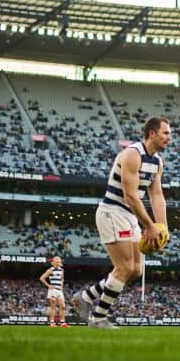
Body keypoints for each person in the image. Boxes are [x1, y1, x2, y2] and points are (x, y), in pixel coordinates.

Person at [71, 117, 170, 330]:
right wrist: (150, 226)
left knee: (135, 270)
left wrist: (163, 227)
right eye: (165, 133)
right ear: (152, 133)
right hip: (112, 211)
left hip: (128, 216)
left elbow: (157, 195)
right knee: (124, 267)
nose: (169, 138)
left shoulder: (157, 162)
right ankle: (98, 319)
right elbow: (131, 196)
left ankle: (85, 297)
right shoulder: (133, 155)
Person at [39, 256, 67, 327]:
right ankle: (52, 323)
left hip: (59, 290)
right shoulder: (50, 270)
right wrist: (48, 286)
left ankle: (62, 323)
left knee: (63, 306)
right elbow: (42, 278)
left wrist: (61, 287)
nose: (58, 260)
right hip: (53, 290)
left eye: (59, 259)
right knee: (53, 307)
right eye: (56, 259)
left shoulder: (61, 270)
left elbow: (62, 279)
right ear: (53, 262)